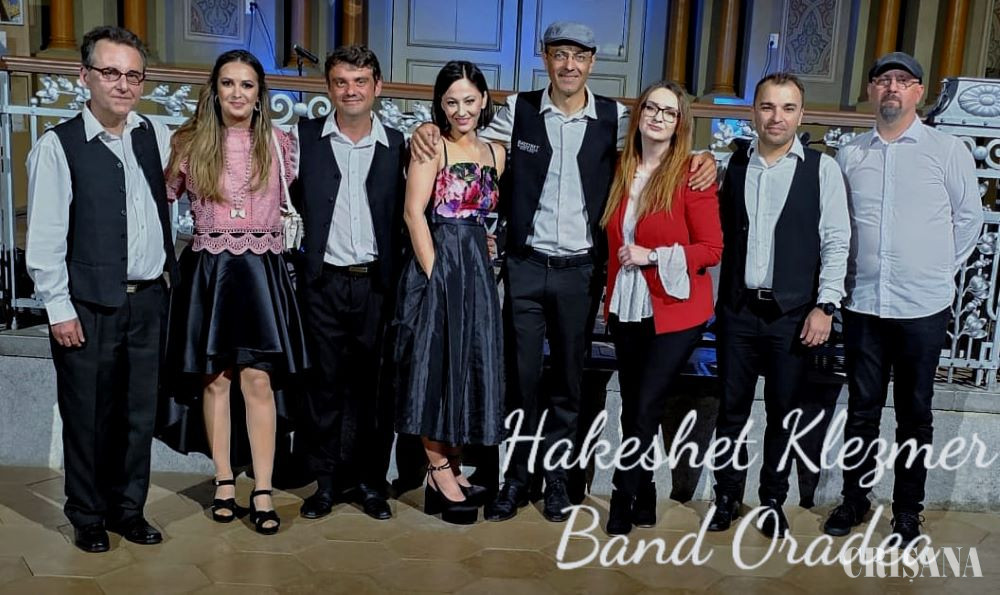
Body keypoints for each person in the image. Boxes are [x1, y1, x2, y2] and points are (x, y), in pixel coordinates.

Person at [411, 21, 717, 523]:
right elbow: (465, 139)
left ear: (592, 62)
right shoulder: (518, 111)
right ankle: (515, 480)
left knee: (569, 385)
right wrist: (427, 129)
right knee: (520, 381)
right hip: (526, 267)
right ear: (546, 58)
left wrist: (705, 158)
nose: (569, 65)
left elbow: (664, 144)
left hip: (581, 271)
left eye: (578, 56)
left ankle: (557, 482)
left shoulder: (616, 118)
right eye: (559, 54)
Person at [25, 25, 177, 552]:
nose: (123, 84)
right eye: (110, 72)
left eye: (133, 75)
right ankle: (87, 515)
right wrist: (58, 308)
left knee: (138, 416)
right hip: (88, 304)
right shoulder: (58, 146)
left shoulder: (152, 134)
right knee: (89, 417)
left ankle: (128, 510)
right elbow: (45, 238)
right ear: (84, 76)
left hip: (149, 300)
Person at [823, 53, 983, 545]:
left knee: (915, 413)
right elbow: (838, 225)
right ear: (872, 91)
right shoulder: (851, 154)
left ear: (918, 92)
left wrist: (936, 270)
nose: (892, 87)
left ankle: (908, 512)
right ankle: (854, 499)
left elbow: (969, 218)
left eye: (903, 80)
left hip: (922, 307)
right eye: (883, 80)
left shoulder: (946, 150)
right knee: (862, 409)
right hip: (864, 303)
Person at [158, 50, 308, 535]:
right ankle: (224, 479)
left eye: (247, 84)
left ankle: (262, 487)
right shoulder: (188, 142)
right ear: (215, 89)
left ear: (260, 94)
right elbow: (161, 197)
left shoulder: (281, 144)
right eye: (228, 83)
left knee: (258, 381)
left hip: (261, 272)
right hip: (210, 272)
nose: (237, 93)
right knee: (216, 380)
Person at [708, 72, 850, 538]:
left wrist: (826, 306)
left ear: (801, 115)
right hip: (738, 310)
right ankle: (726, 495)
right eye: (768, 106)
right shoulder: (733, 164)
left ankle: (772, 499)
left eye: (788, 108)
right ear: (754, 112)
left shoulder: (821, 169)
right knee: (731, 411)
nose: (777, 117)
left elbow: (836, 241)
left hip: (793, 315)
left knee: (783, 413)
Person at [600, 81, 722, 535]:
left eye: (669, 112)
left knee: (647, 401)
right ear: (639, 115)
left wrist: (652, 255)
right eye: (651, 108)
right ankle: (646, 489)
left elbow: (712, 248)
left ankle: (623, 493)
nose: (658, 117)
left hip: (676, 308)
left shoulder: (692, 174)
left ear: (680, 124)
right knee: (635, 402)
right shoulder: (618, 168)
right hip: (626, 304)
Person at [292, 45, 406, 521]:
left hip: (377, 284)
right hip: (323, 283)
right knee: (323, 386)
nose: (351, 91)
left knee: (374, 389)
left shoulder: (399, 144)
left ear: (377, 86)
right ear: (329, 87)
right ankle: (325, 483)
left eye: (360, 82)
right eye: (341, 82)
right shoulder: (304, 140)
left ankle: (370, 483)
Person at [393, 60, 507, 524]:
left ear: (484, 100)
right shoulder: (430, 146)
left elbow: (483, 216)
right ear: (440, 105)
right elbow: (413, 214)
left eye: (469, 100)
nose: (461, 110)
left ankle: (454, 466)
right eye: (451, 102)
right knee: (433, 368)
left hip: (476, 270)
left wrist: (484, 245)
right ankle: (437, 470)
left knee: (464, 366)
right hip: (437, 266)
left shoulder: (497, 153)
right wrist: (436, 272)